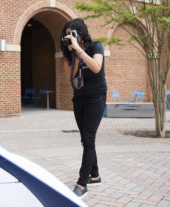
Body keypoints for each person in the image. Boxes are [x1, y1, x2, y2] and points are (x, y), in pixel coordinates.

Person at [60, 18, 107, 197]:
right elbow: (71, 79)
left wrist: (79, 50)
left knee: (88, 138)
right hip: (79, 98)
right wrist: (72, 55)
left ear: (81, 33)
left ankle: (82, 183)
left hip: (96, 97)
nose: (69, 37)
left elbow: (96, 67)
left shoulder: (97, 46)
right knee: (85, 139)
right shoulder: (71, 53)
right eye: (66, 35)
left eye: (71, 33)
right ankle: (94, 175)